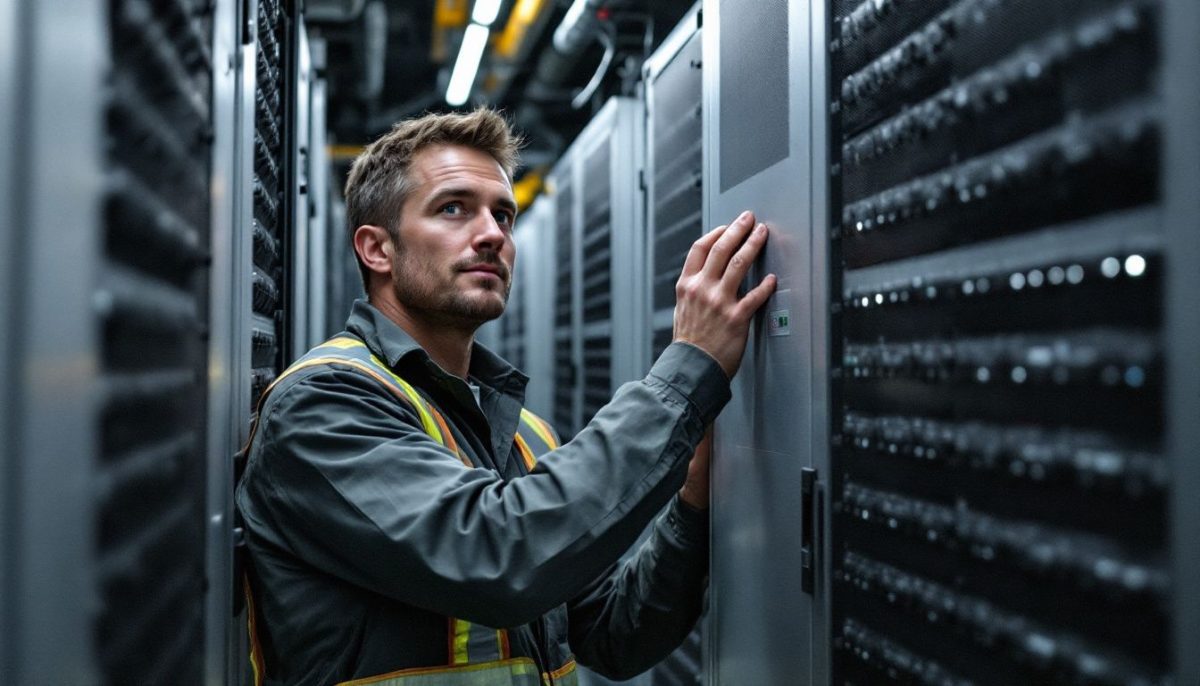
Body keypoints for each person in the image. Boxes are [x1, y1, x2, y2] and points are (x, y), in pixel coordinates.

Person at [235, 108, 776, 686]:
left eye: (503, 215)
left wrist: (692, 500)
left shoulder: (525, 436)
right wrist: (681, 379)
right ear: (377, 249)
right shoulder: (321, 405)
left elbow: (617, 633)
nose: (493, 233)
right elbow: (499, 555)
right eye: (453, 209)